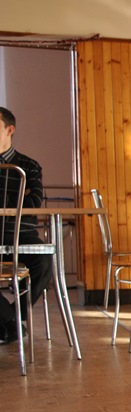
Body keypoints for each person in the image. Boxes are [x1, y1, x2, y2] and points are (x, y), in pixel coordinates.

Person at [0, 106, 51, 344]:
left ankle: (10, 319)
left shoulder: (28, 166)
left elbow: (33, 202)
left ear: (10, 130)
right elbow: (24, 199)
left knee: (44, 261)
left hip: (22, 234)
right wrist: (18, 195)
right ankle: (10, 321)